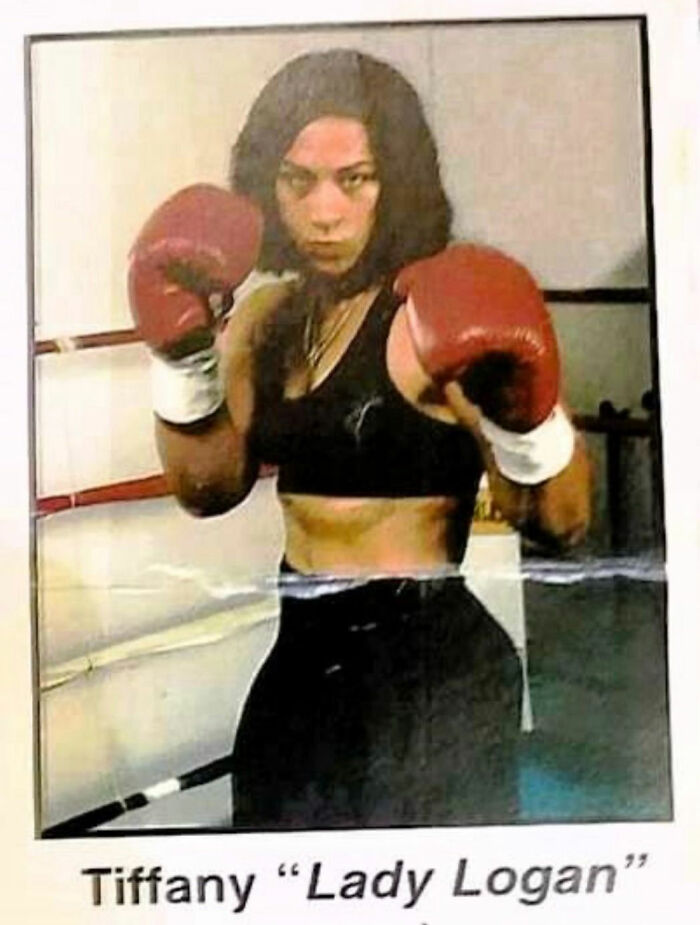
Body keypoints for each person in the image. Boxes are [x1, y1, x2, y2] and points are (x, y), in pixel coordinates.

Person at [128, 49, 591, 830]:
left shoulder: (425, 312)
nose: (325, 212)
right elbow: (204, 488)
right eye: (298, 180)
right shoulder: (266, 317)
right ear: (266, 188)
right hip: (302, 649)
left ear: (396, 182)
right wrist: (180, 359)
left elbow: (565, 523)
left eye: (356, 178)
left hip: (427, 668)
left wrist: (526, 419)